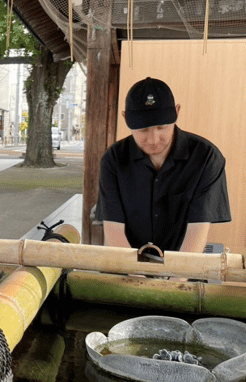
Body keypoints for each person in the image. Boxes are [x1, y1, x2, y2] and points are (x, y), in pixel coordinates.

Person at [95, 77, 231, 254]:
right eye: (142, 130)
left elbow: (197, 231)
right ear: (125, 117)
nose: (153, 140)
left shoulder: (206, 158)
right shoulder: (113, 159)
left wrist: (176, 279)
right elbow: (114, 230)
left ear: (177, 112)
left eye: (162, 127)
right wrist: (136, 277)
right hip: (128, 265)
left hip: (184, 264)